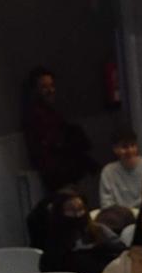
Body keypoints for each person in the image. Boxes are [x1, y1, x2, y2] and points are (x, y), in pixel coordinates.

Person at [38, 187, 125, 273]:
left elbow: (121, 252)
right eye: (71, 210)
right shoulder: (53, 240)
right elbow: (49, 268)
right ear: (59, 212)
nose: (77, 215)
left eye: (80, 209)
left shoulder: (100, 231)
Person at [22, 65, 91, 193]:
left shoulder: (53, 113)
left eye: (51, 85)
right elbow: (45, 148)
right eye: (44, 87)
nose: (50, 90)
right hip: (55, 173)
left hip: (64, 170)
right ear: (35, 90)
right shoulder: (35, 117)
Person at [98, 131, 142, 211]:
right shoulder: (108, 171)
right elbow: (106, 203)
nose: (130, 150)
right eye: (125, 147)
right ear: (115, 149)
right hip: (120, 216)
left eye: (133, 145)